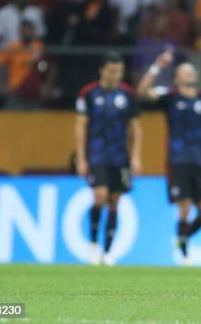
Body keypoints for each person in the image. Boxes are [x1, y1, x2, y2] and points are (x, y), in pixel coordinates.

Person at [137, 49, 201, 264]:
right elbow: (142, 92)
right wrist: (157, 65)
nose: (189, 74)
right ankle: (185, 255)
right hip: (178, 161)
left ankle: (183, 237)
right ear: (177, 77)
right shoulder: (169, 97)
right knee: (185, 207)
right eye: (184, 72)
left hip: (199, 161)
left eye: (191, 71)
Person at [75, 52, 142, 265]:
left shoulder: (128, 95)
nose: (116, 75)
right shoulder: (88, 93)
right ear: (102, 70)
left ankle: (108, 251)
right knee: (100, 196)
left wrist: (136, 156)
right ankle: (93, 244)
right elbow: (80, 125)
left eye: (119, 71)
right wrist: (81, 158)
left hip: (120, 156)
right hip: (96, 154)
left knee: (115, 202)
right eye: (112, 71)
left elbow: (136, 128)